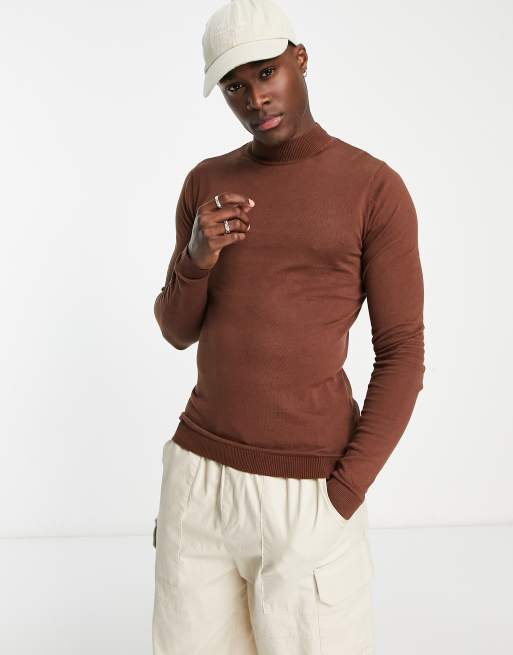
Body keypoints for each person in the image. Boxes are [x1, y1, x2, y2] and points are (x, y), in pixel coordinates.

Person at [151, 0, 425, 653]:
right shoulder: (206, 183)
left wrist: (344, 492)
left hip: (308, 489)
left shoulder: (373, 188)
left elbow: (401, 352)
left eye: (266, 72)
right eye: (233, 86)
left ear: (299, 59)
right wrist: (197, 257)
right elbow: (176, 329)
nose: (255, 99)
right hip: (198, 480)